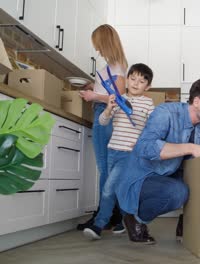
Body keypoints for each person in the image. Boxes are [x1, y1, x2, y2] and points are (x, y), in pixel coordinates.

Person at [116, 77, 200, 244]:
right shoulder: (165, 113)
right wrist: (191, 147)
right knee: (178, 192)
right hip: (143, 177)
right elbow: (144, 147)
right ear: (197, 102)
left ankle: (188, 224)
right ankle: (135, 218)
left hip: (169, 173)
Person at [83, 63, 155, 240]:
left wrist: (141, 146)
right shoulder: (117, 98)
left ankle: (99, 225)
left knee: (108, 189)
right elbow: (103, 121)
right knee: (119, 189)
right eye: (132, 78)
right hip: (112, 151)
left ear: (148, 86)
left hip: (129, 154)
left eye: (141, 81)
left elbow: (153, 128)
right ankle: (127, 222)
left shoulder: (148, 103)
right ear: (127, 79)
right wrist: (108, 108)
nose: (136, 83)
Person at [77, 24, 128, 232]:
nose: (97, 49)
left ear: (105, 42)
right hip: (104, 113)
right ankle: (113, 215)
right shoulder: (114, 66)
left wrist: (93, 96)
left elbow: (119, 97)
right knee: (109, 168)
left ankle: (104, 215)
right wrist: (94, 86)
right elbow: (112, 90)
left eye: (98, 44)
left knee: (105, 168)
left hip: (104, 114)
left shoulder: (116, 66)